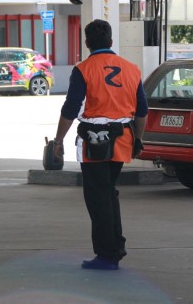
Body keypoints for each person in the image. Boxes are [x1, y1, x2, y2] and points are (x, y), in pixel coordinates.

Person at [52, 19, 148, 270]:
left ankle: (107, 255)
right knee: (108, 192)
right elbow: (142, 111)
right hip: (123, 140)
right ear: (112, 42)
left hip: (94, 142)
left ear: (87, 43)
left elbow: (71, 108)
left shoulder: (83, 69)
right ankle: (115, 246)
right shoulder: (131, 69)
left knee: (98, 197)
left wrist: (58, 139)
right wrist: (138, 139)